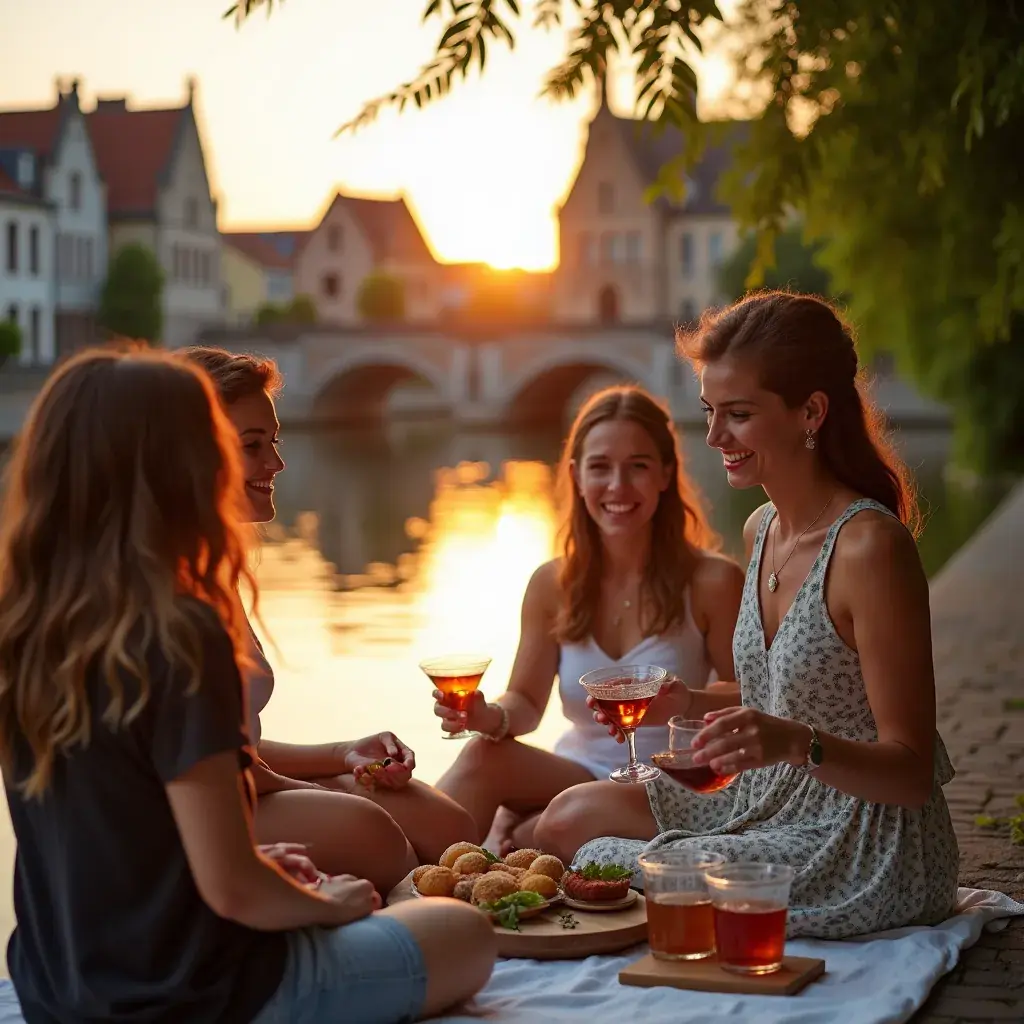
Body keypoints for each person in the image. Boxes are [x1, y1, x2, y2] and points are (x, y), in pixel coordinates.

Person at [0, 347, 496, 1023]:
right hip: (189, 994)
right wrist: (331, 905)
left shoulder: (29, 625)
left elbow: (122, 827)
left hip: (58, 989)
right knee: (462, 931)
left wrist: (271, 862)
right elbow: (233, 889)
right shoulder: (180, 629)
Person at [580, 292, 960, 938]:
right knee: (577, 819)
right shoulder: (761, 530)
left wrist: (791, 744)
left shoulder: (870, 548)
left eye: (739, 415)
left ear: (810, 412)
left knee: (610, 863)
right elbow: (783, 697)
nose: (714, 436)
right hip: (771, 799)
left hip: (865, 842)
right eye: (709, 412)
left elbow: (911, 773)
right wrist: (691, 699)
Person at [184, 346, 479, 889]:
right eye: (252, 447)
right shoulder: (165, 584)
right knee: (379, 837)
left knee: (450, 826)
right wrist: (319, 789)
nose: (276, 464)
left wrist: (342, 754)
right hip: (193, 817)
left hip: (243, 781)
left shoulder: (215, 568)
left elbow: (231, 744)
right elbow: (196, 763)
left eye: (272, 444)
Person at [433, 385, 744, 861]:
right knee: (481, 757)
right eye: (600, 467)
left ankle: (519, 837)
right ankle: (404, 881)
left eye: (637, 466)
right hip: (578, 769)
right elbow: (527, 702)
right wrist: (486, 716)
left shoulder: (713, 581)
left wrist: (686, 702)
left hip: (671, 778)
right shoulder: (550, 583)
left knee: (552, 822)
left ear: (665, 474)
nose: (617, 486)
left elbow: (753, 699)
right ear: (577, 477)